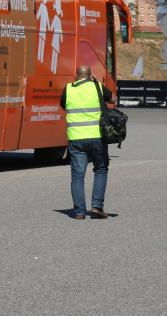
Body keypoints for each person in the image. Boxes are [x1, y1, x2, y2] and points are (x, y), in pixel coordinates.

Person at [59, 65, 114, 220]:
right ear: (90, 75)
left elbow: (63, 105)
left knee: (77, 175)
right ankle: (96, 206)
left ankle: (79, 212)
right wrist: (97, 85)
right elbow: (114, 99)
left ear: (76, 75)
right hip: (97, 137)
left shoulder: (68, 89)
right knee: (101, 169)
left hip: (76, 138)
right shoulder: (97, 87)